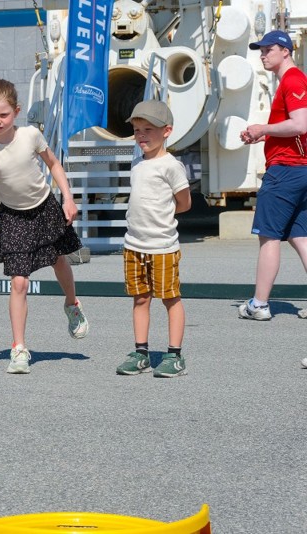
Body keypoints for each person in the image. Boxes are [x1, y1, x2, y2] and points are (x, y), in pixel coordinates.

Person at [0, 79, 89, 374]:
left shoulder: (30, 135)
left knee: (58, 260)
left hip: (45, 207)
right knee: (19, 281)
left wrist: (68, 199)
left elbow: (54, 165)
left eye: (3, 115)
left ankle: (72, 304)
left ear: (16, 112)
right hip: (13, 216)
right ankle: (19, 349)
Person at [115, 100, 191, 378]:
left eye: (148, 129)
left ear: (167, 131)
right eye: (136, 130)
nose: (141, 135)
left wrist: (165, 216)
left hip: (162, 246)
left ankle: (175, 355)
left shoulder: (171, 166)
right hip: (134, 245)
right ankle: (141, 352)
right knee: (140, 299)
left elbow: (184, 203)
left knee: (170, 298)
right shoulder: (137, 162)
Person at [239, 30, 307, 323]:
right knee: (301, 238)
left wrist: (263, 129)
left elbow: (300, 124)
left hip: (285, 171)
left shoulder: (292, 80)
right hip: (299, 170)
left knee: (268, 237)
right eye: (261, 50)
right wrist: (263, 135)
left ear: (285, 51)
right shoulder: (292, 81)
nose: (262, 54)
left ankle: (259, 304)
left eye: (268, 49)